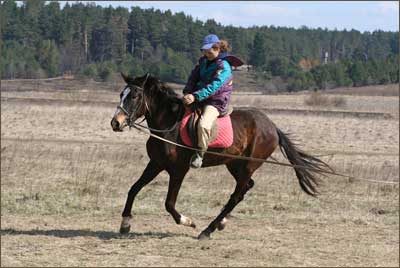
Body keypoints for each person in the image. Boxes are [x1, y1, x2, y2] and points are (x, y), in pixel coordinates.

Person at [182, 34, 243, 168]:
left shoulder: (224, 67)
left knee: (203, 124)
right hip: (199, 96)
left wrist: (195, 96)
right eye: (204, 51)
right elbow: (193, 77)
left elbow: (214, 87)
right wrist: (187, 92)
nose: (207, 54)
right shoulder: (203, 61)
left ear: (217, 49)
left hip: (216, 102)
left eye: (209, 52)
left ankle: (199, 154)